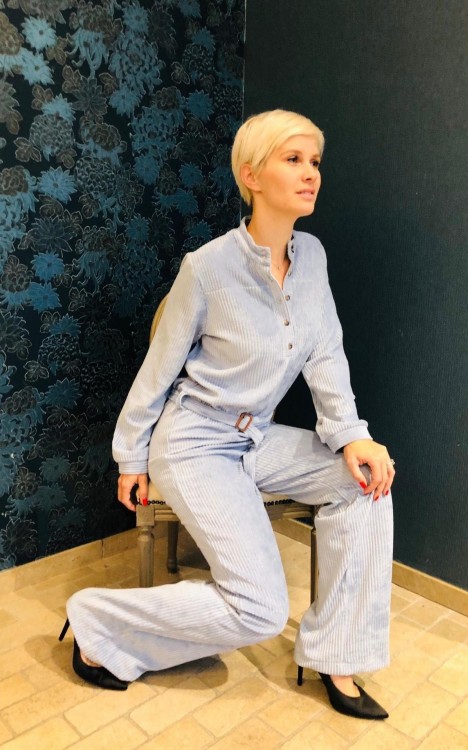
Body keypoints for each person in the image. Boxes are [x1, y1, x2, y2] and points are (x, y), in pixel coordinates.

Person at [61, 109, 395, 719]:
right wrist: (130, 455)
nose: (311, 173)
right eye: (293, 159)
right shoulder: (207, 267)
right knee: (261, 609)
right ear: (251, 174)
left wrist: (353, 437)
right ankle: (96, 622)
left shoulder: (313, 257)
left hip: (256, 438)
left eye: (315, 161)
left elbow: (327, 353)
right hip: (194, 441)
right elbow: (159, 369)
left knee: (365, 483)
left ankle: (338, 656)